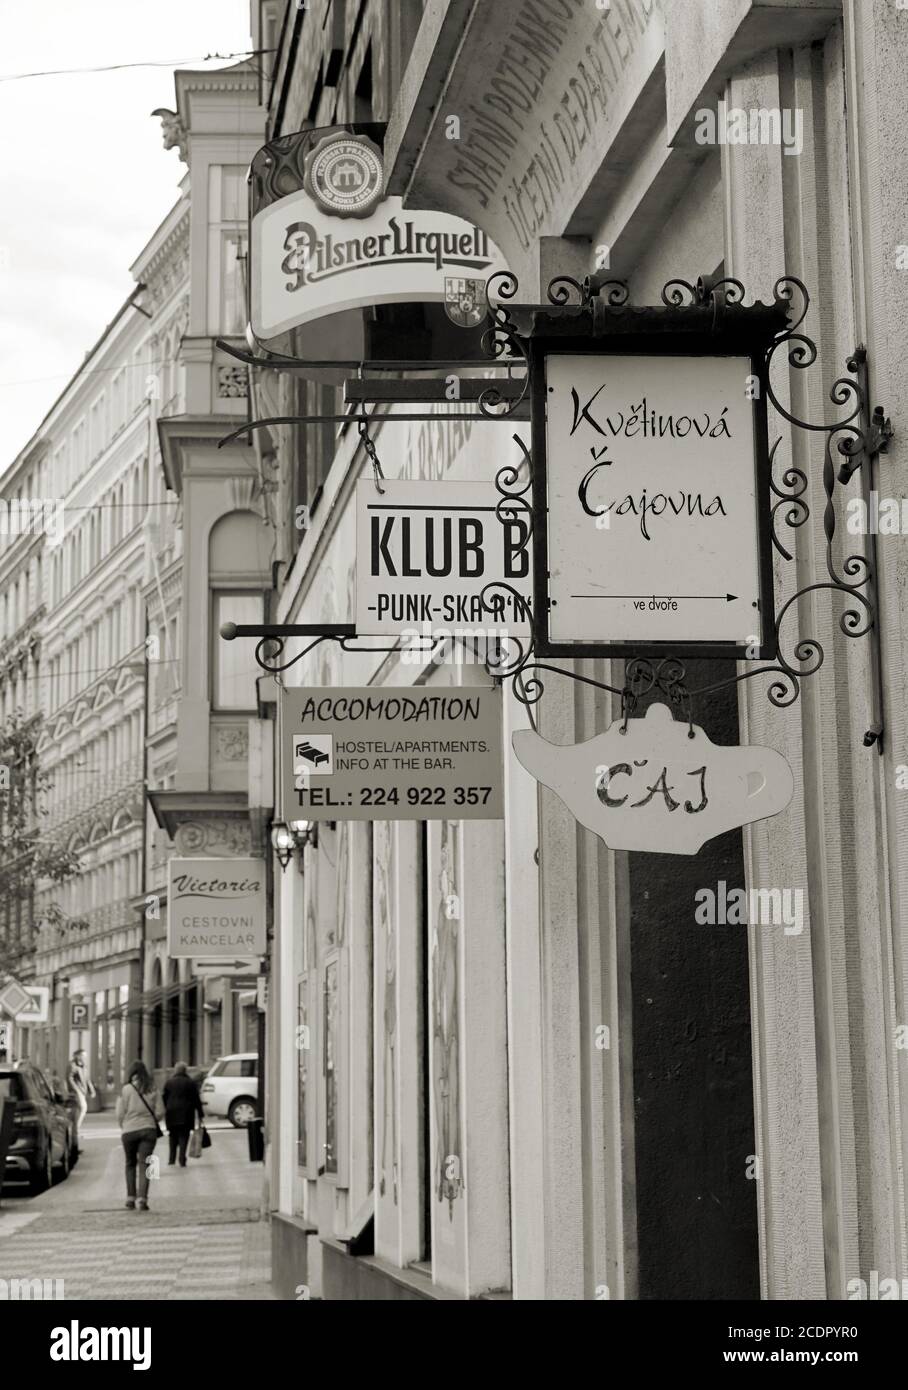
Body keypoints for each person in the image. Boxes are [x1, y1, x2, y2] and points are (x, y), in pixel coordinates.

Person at [115, 1060, 164, 1211]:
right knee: (145, 1165)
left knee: (130, 1164)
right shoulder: (152, 1088)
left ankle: (130, 1198)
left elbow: (119, 1113)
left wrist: (124, 1125)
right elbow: (161, 1111)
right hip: (148, 1130)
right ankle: (142, 1199)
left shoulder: (125, 1090)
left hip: (129, 1131)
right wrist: (153, 1119)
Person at [162, 1061, 203, 1166]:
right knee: (183, 1136)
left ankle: (171, 1159)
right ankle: (182, 1158)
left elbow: (164, 1098)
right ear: (185, 1070)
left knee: (172, 1136)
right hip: (186, 1113)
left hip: (171, 1113)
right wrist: (200, 1114)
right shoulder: (190, 1083)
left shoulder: (169, 1082)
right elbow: (196, 1100)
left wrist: (166, 1108)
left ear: (175, 1070)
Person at [66, 1049, 96, 1152]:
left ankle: (75, 1134)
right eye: (83, 1056)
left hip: (82, 1093)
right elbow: (69, 1079)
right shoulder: (72, 1065)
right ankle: (75, 1135)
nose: (84, 1058)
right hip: (76, 1094)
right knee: (82, 1108)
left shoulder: (84, 1066)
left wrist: (91, 1090)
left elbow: (87, 1079)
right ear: (77, 1056)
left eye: (85, 1056)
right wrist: (77, 1090)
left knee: (78, 1114)